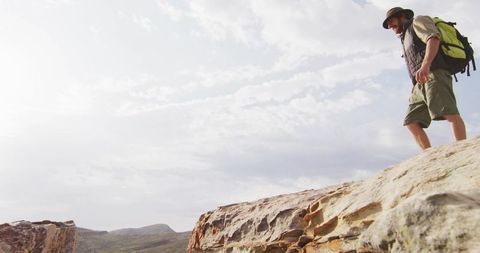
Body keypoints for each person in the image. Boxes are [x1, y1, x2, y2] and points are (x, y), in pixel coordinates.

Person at [382, 7, 467, 150]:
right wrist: (413, 86)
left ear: (402, 16)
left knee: (448, 111)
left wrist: (426, 65)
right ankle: (429, 156)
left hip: (434, 72)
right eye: (388, 24)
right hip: (419, 82)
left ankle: (462, 149)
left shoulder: (418, 21)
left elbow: (433, 38)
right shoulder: (404, 38)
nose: (390, 26)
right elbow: (414, 62)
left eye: (391, 21)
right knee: (411, 122)